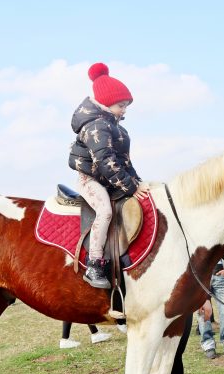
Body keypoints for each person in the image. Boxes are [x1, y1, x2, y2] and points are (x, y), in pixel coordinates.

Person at [69, 62, 151, 289]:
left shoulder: (117, 128)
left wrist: (138, 182)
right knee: (104, 211)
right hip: (91, 179)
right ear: (106, 103)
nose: (124, 110)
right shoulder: (96, 126)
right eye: (121, 105)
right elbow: (105, 162)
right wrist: (131, 186)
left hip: (109, 180)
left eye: (126, 105)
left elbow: (125, 162)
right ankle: (94, 263)